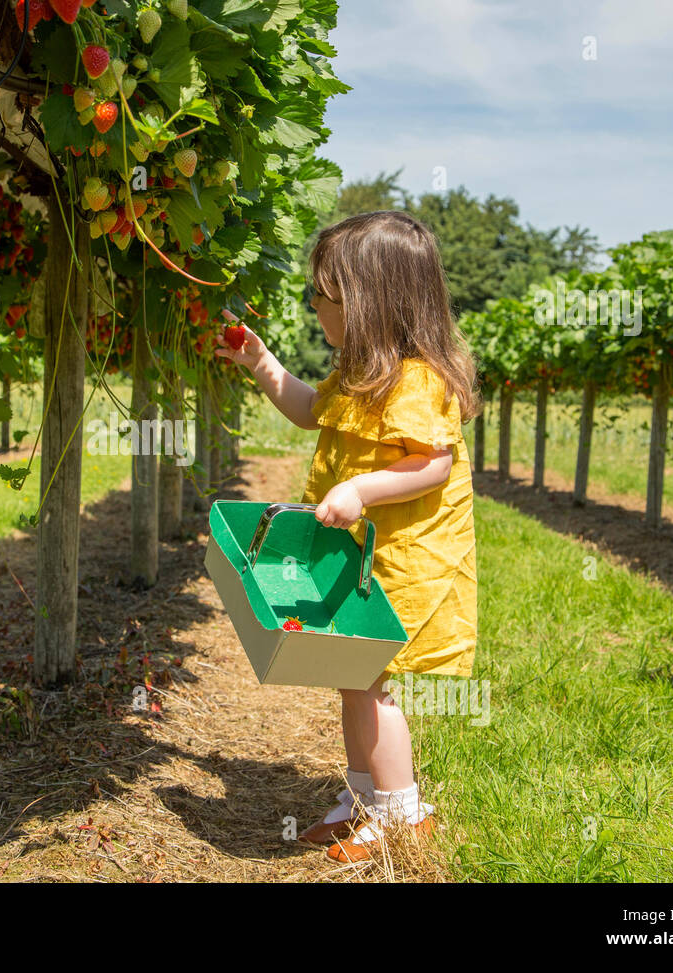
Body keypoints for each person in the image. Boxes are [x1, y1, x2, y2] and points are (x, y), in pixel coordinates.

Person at [215, 211, 479, 862]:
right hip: (360, 557)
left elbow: (433, 463)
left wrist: (361, 489)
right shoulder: (359, 370)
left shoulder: (416, 380)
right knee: (350, 674)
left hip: (400, 559)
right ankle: (363, 801)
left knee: (372, 682)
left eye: (322, 295)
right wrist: (260, 362)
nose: (312, 304)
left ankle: (400, 814)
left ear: (366, 303)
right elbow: (310, 410)